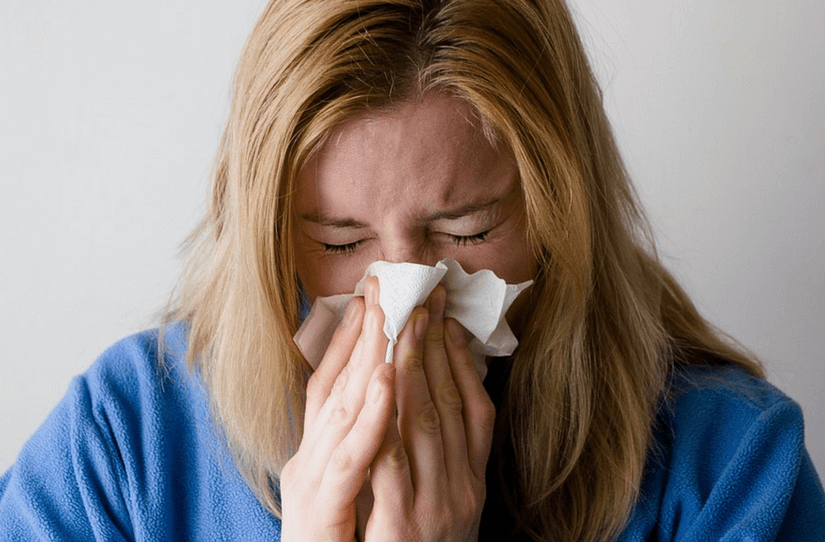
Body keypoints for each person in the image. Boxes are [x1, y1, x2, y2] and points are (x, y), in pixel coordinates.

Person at [1, 0, 823, 540]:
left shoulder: (727, 470)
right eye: (334, 241)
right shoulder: (122, 446)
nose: (401, 302)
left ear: (558, 213)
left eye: (465, 230)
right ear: (263, 234)